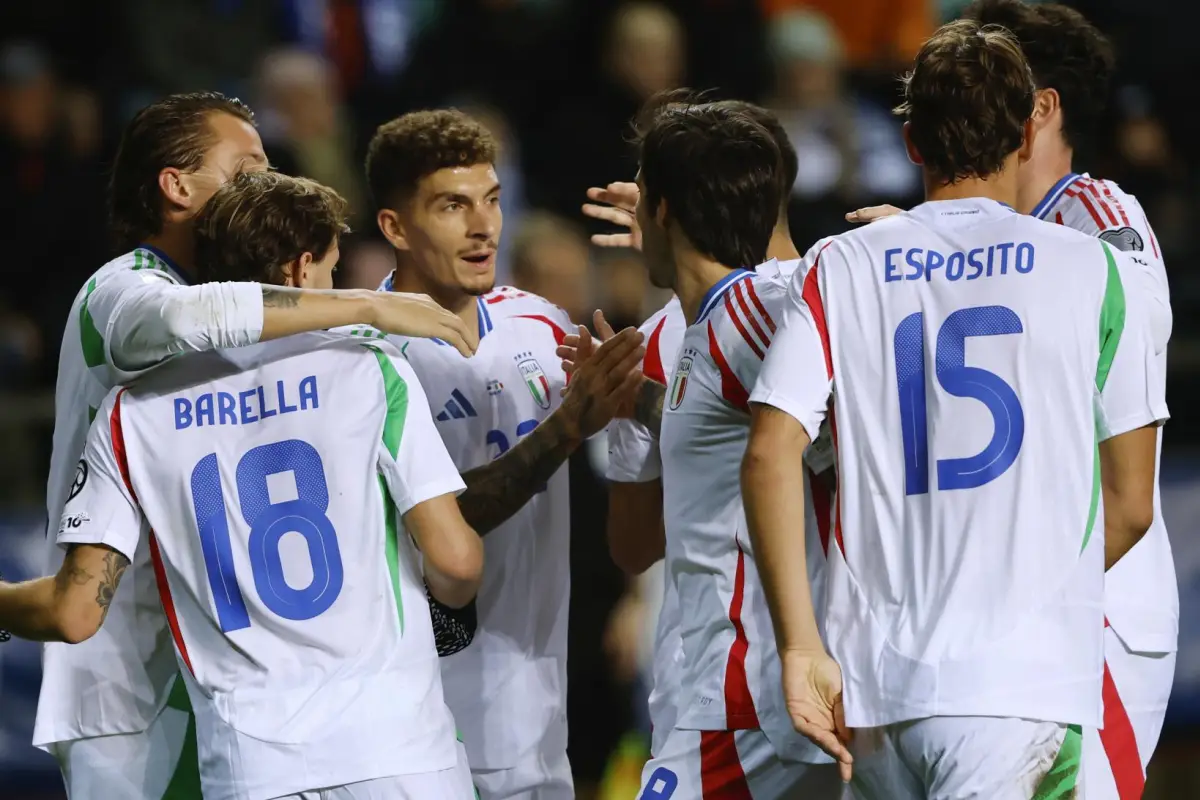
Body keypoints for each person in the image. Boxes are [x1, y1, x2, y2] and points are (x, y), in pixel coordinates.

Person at [742, 20, 1165, 798]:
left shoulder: (841, 263)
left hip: (874, 694)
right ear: (1025, 133)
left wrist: (800, 648)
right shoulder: (1095, 269)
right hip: (1016, 692)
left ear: (911, 143)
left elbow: (769, 452)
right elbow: (1131, 505)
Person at [29, 91, 476, 800]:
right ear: (176, 187)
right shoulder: (121, 290)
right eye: (245, 171)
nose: (265, 186)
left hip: (229, 683)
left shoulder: (250, 350)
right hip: (131, 685)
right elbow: (178, 321)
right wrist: (365, 304)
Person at [362, 108, 645, 799]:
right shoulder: (362, 357)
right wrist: (564, 429)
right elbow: (432, 531)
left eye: (490, 200)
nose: (483, 226)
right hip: (419, 730)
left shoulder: (541, 323)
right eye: (452, 206)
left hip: (538, 719)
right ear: (395, 227)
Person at [580, 97, 834, 773]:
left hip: (747, 693)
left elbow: (848, 438)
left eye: (643, 194)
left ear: (659, 209)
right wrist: (638, 402)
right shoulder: (695, 328)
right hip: (731, 688)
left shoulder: (757, 309)